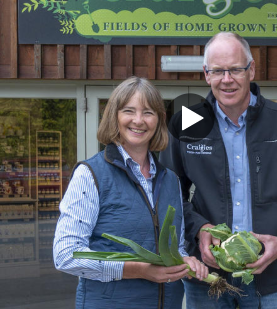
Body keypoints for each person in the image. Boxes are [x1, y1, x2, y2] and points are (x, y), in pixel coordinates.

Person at [159, 32, 277, 309]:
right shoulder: (186, 123)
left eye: (235, 69)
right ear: (206, 74)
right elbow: (168, 192)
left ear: (252, 70)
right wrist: (199, 228)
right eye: (218, 71)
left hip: (271, 273)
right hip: (207, 276)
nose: (227, 79)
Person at [53, 76, 208, 309]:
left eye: (148, 112)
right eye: (129, 111)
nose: (138, 120)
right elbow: (66, 255)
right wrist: (137, 270)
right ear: (114, 116)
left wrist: (185, 261)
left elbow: (175, 248)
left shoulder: (171, 180)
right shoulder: (90, 174)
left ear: (159, 120)